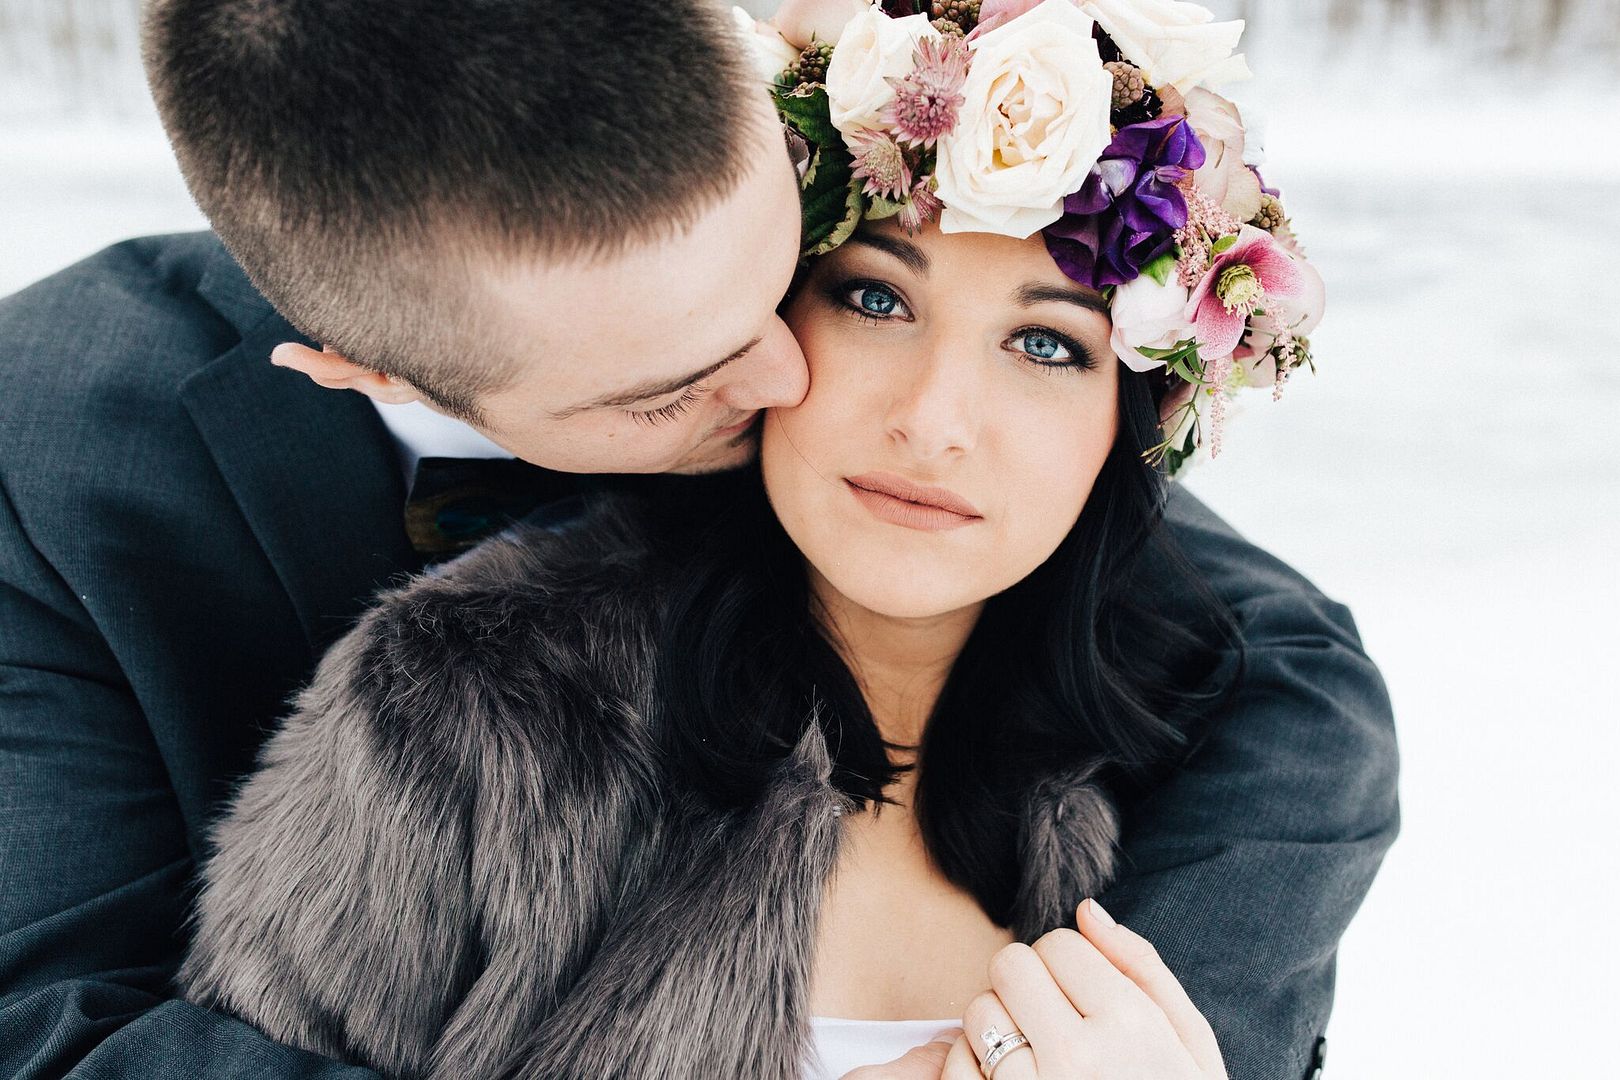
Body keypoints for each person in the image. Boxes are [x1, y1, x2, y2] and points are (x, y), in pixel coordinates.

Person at [0, 0, 1396, 1077]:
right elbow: (48, 1037)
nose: (789, 386)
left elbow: (1267, 647)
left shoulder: (885, 413)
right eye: (678, 385)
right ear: (372, 371)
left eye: (781, 286)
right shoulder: (64, 448)